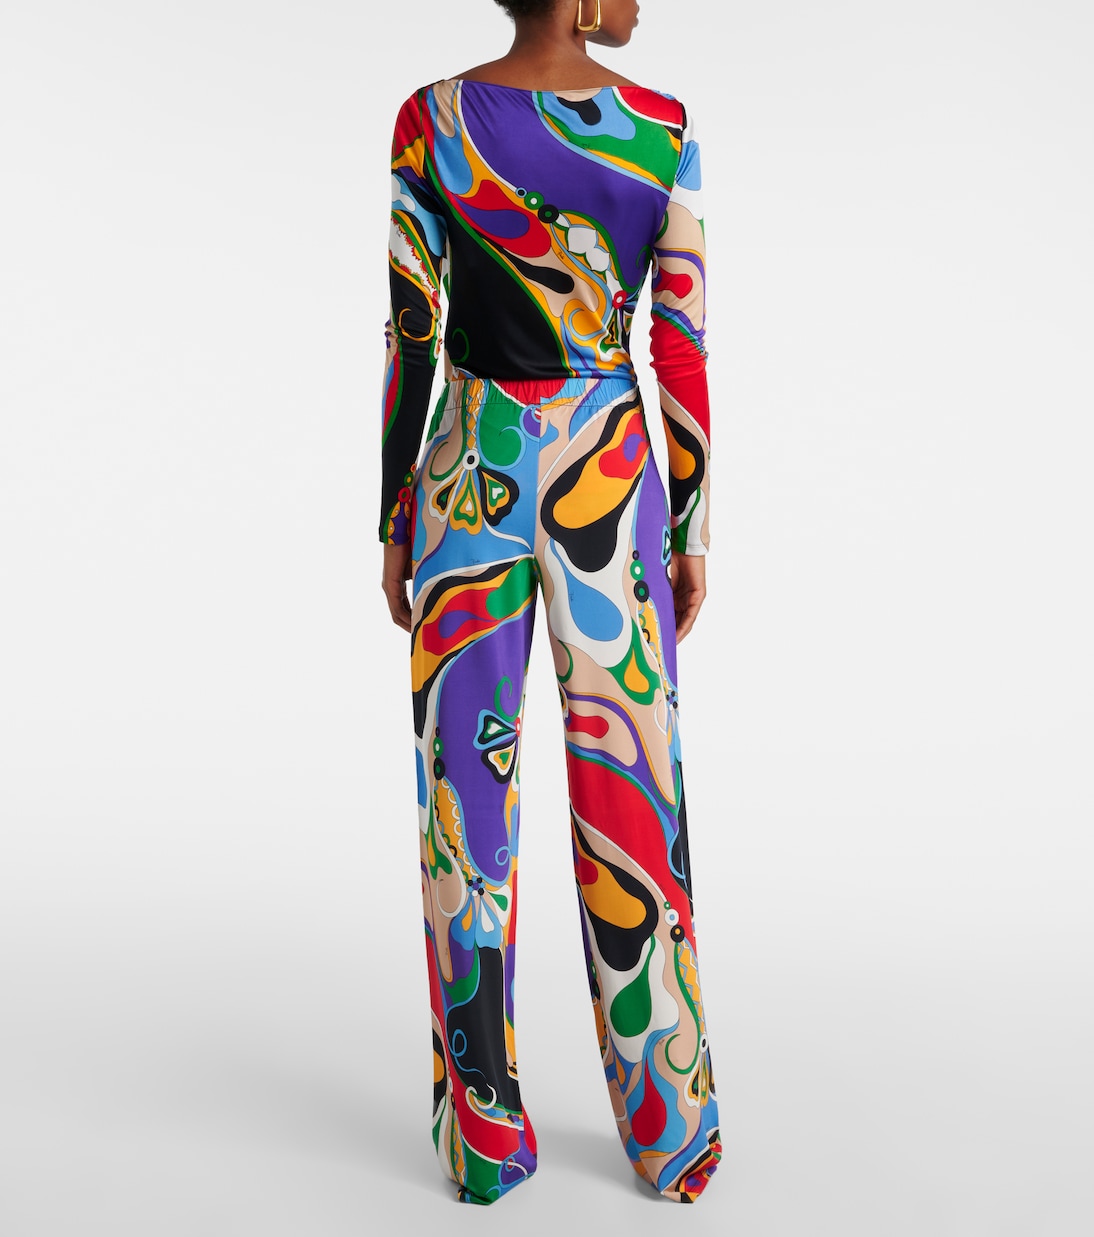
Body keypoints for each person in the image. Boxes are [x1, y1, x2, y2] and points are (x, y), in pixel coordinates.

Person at [378, 0, 719, 1206]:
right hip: (608, 480)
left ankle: (482, 1138)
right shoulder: (660, 129)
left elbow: (410, 331)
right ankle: (671, 1132)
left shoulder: (429, 121)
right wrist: (688, 524)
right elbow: (677, 344)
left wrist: (391, 513)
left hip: (466, 472)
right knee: (634, 793)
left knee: (460, 809)